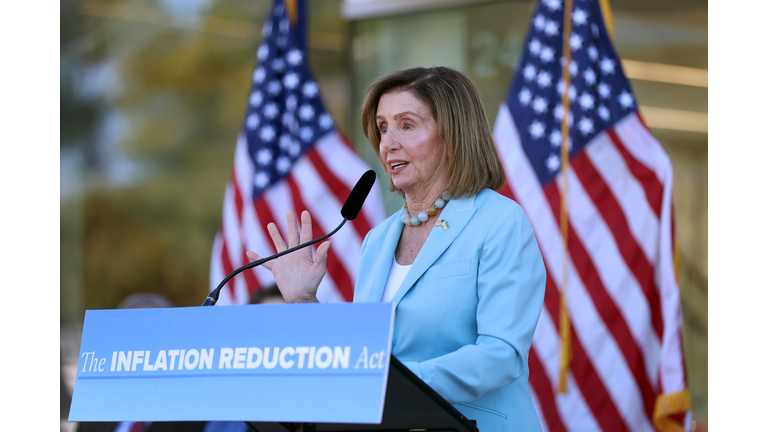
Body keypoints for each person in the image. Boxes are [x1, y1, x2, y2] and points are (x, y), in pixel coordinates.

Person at [246, 67, 546, 432]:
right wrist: (303, 301)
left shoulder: (500, 221)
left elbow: (502, 356)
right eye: (383, 127)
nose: (387, 143)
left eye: (407, 125)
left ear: (454, 135)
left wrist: (391, 386)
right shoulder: (378, 239)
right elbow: (362, 355)